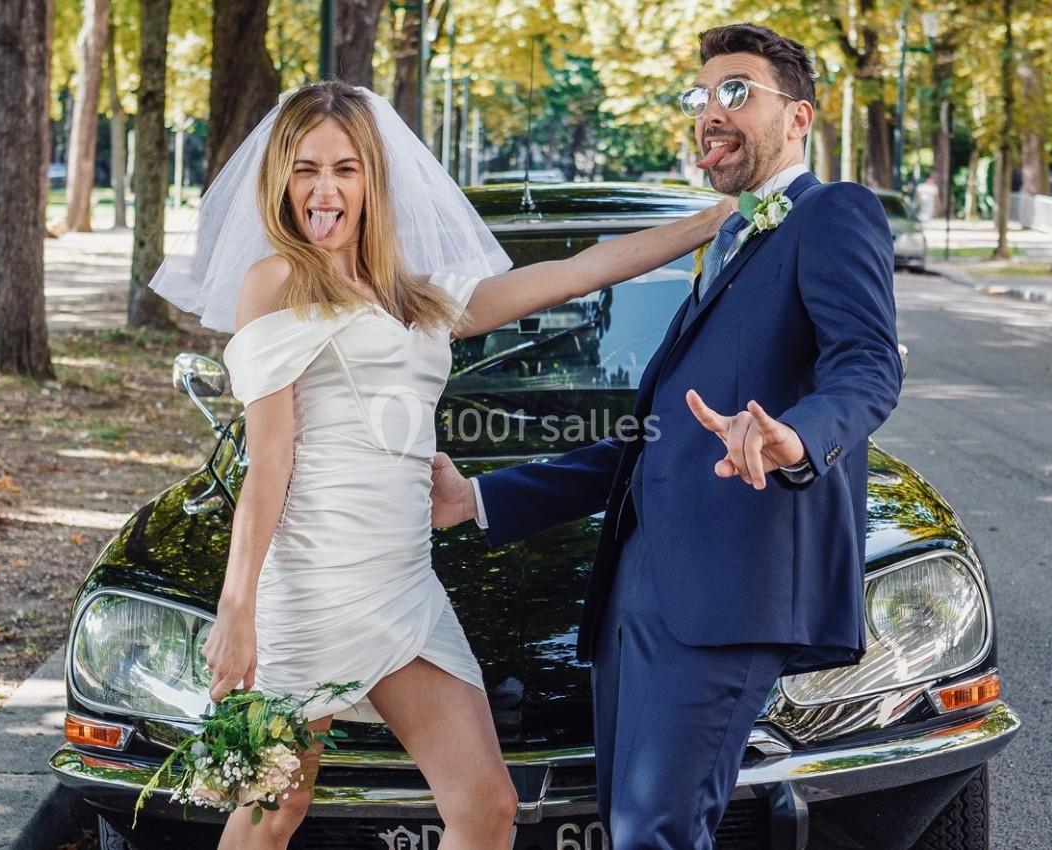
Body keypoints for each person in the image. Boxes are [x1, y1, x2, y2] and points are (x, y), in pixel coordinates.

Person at [148, 80, 732, 850]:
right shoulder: (277, 283)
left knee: (486, 807)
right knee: (270, 809)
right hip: (313, 585)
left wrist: (720, 217)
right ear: (280, 179)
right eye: (306, 169)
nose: (324, 190)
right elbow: (269, 462)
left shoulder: (416, 298)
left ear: (374, 180)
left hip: (404, 585)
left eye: (346, 169)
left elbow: (586, 269)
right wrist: (237, 611)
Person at [429, 24, 904, 850]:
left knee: (657, 832)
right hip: (637, 594)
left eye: (735, 91)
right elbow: (649, 444)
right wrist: (478, 497)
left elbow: (868, 367)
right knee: (630, 827)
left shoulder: (832, 213)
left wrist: (794, 435)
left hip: (728, 589)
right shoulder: (725, 241)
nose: (710, 112)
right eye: (700, 96)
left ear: (798, 117)